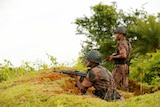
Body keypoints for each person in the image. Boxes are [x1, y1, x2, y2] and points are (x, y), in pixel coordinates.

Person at [107, 26, 132, 92]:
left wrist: (112, 57)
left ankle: (111, 98)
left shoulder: (121, 43)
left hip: (119, 67)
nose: (116, 36)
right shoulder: (127, 43)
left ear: (120, 34)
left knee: (112, 83)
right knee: (124, 86)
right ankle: (126, 99)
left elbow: (123, 55)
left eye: (116, 34)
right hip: (126, 66)